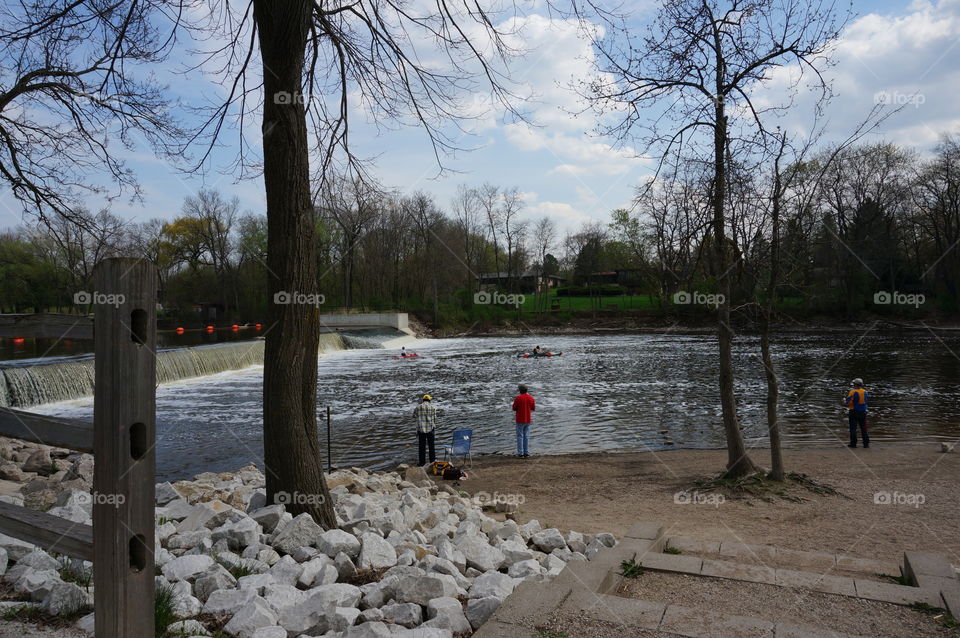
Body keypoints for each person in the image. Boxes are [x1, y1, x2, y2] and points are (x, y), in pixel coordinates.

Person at [843, 378, 869, 448]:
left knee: (853, 428)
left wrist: (844, 400)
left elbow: (848, 403)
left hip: (854, 411)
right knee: (864, 428)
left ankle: (853, 444)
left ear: (855, 384)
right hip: (863, 412)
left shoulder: (853, 392)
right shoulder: (865, 392)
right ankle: (866, 444)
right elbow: (866, 402)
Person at [413, 394, 438, 465]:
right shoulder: (433, 407)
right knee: (431, 446)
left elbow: (414, 416)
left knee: (421, 447)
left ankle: (422, 463)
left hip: (421, 429)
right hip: (430, 429)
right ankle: (432, 462)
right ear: (429, 400)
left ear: (423, 400)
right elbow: (435, 418)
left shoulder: (418, 407)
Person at [512, 384, 535, 458]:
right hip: (528, 419)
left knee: (520, 436)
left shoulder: (518, 398)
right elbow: (533, 408)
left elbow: (514, 408)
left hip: (520, 419)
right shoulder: (531, 398)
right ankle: (526, 452)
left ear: (520, 390)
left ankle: (520, 453)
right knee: (526, 436)